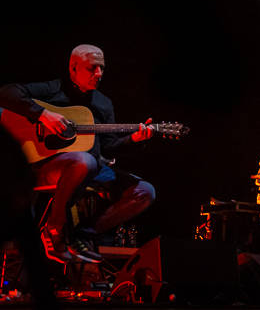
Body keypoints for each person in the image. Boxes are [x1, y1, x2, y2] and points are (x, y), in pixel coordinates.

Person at [0, 44, 156, 264]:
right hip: (46, 166)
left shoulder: (103, 103)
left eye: (102, 68)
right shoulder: (54, 89)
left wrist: (134, 139)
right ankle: (54, 229)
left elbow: (108, 147)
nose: (99, 74)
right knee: (85, 160)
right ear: (73, 68)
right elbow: (5, 93)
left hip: (89, 167)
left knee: (145, 191)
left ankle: (82, 234)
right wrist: (43, 114)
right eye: (92, 68)